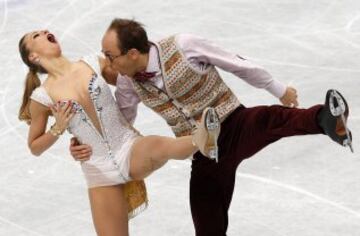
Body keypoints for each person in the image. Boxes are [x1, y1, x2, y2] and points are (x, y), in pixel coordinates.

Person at [70, 19, 353, 236]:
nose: (106, 64)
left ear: (132, 53)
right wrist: (83, 140)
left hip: (233, 121)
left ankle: (328, 120)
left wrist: (279, 89)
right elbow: (119, 122)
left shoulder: (183, 45)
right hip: (204, 150)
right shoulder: (127, 81)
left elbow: (238, 64)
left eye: (110, 56)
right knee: (206, 219)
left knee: (271, 119)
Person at [18, 29, 221, 236]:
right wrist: (58, 127)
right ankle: (200, 139)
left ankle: (201, 139)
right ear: (33, 56)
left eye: (43, 30)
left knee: (158, 146)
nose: (44, 31)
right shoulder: (41, 97)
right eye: (36, 36)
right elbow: (34, 146)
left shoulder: (93, 63)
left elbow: (135, 80)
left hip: (128, 146)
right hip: (98, 171)